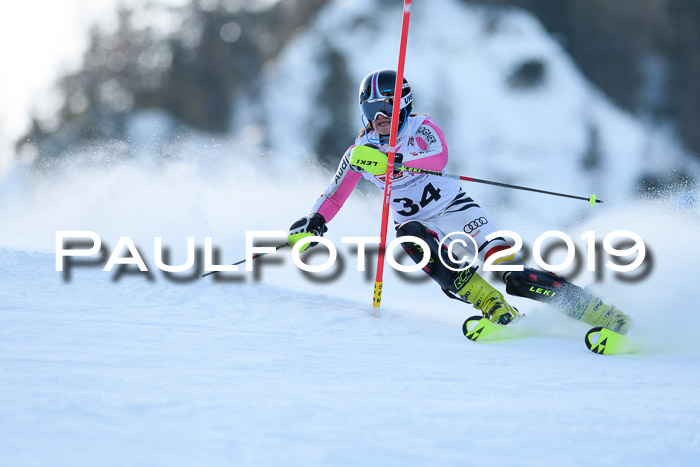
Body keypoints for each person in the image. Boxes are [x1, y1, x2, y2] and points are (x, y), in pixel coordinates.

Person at [288, 69, 631, 333]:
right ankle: (494, 308)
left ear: (404, 105)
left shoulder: (420, 127)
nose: (381, 116)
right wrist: (314, 221)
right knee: (411, 237)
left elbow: (439, 157)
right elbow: (335, 195)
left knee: (508, 272)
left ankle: (598, 311)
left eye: (388, 107)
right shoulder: (359, 154)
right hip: (419, 224)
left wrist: (397, 162)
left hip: (457, 212)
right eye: (373, 109)